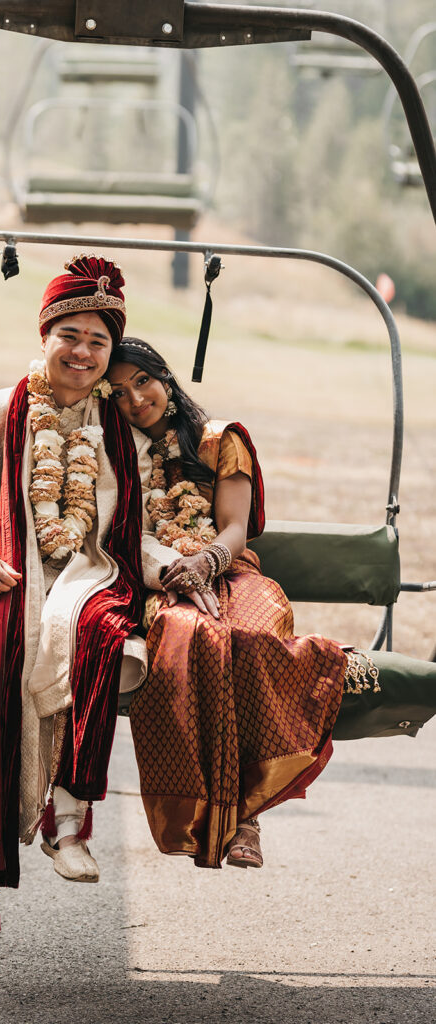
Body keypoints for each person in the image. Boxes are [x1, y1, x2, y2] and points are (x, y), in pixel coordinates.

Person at [0, 258, 173, 916]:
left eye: (97, 341)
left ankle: (69, 824)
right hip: (1, 570)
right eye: (70, 335)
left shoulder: (122, 436)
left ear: (109, 352)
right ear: (45, 336)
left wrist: (172, 568)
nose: (82, 352)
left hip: (86, 575)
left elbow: (134, 527)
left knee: (90, 630)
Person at [106, 338, 372, 870]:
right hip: (162, 583)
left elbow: (233, 528)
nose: (135, 400)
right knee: (190, 637)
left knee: (247, 635)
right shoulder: (114, 451)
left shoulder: (218, 440)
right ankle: (214, 819)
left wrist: (203, 563)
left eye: (142, 381)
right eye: (117, 393)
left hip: (229, 571)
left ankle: (248, 816)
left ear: (165, 379)